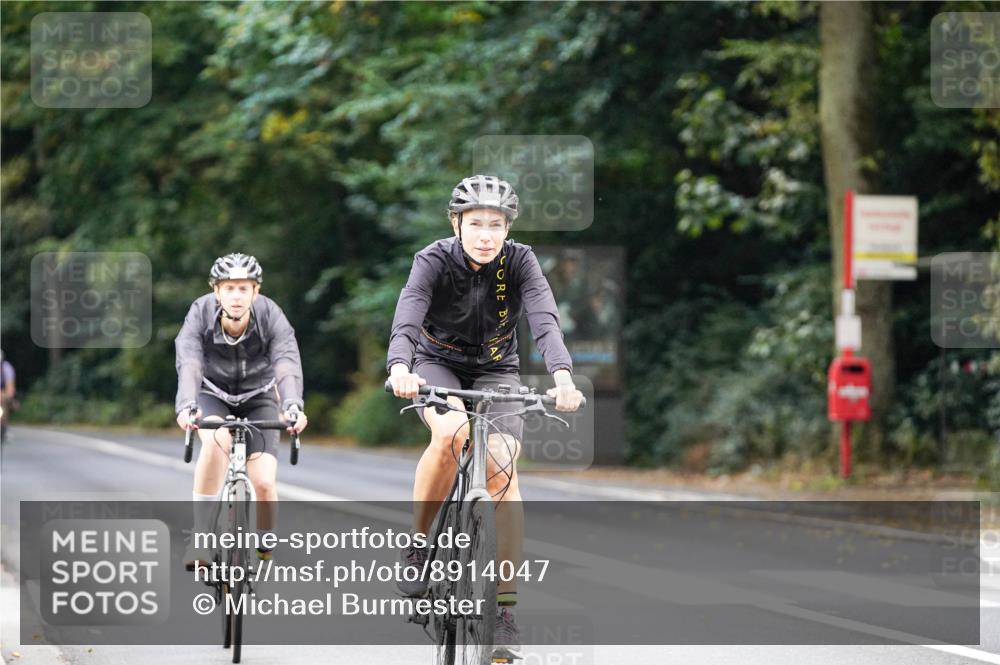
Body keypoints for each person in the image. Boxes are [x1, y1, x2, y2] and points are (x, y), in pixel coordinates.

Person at [387, 175, 584, 660]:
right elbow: (408, 315)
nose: (485, 235)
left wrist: (562, 377)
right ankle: (419, 547)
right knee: (452, 433)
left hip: (498, 370)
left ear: (507, 229)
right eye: (475, 223)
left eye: (495, 225)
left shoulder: (520, 261)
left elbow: (544, 319)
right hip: (437, 364)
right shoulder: (433, 259)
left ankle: (505, 612)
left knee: (503, 469)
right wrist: (399, 367)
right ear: (456, 224)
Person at [175, 253, 308, 569]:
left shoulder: (270, 315)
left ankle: (264, 544)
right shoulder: (200, 312)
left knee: (263, 482)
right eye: (229, 288)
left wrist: (292, 404)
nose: (236, 296)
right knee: (216, 441)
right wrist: (186, 405)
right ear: (216, 290)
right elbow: (190, 361)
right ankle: (200, 539)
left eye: (244, 288)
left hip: (259, 396)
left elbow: (286, 363)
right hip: (212, 394)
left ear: (255, 292)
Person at [1, 350, 16, 444]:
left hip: (3, 395)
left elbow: (10, 387)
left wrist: (7, 395)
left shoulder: (7, 368)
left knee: (7, 404)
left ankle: (5, 427)